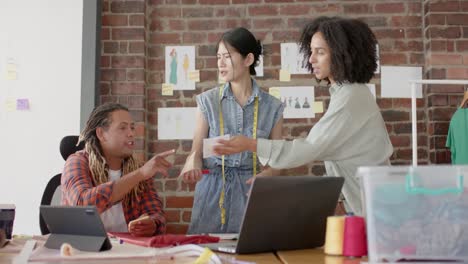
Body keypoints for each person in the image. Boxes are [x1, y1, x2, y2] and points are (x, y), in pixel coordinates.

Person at [214, 17, 393, 216]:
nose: (311, 59)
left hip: (376, 213)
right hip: (368, 208)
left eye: (320, 52)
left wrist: (250, 144)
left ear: (342, 54)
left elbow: (310, 148)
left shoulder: (350, 98)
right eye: (311, 51)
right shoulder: (347, 93)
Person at [180, 27, 284, 234]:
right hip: (212, 191)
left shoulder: (273, 107)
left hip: (252, 192)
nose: (220, 63)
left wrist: (270, 174)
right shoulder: (207, 101)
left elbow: (278, 160)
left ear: (248, 59)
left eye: (227, 56)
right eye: (218, 57)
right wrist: (192, 164)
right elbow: (196, 152)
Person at [61, 102, 175, 237]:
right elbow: (82, 205)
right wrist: (140, 174)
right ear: (101, 134)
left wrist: (152, 224)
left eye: (132, 128)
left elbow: (156, 214)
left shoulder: (138, 168)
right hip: (84, 247)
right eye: (123, 128)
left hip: (127, 247)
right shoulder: (77, 162)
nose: (131, 133)